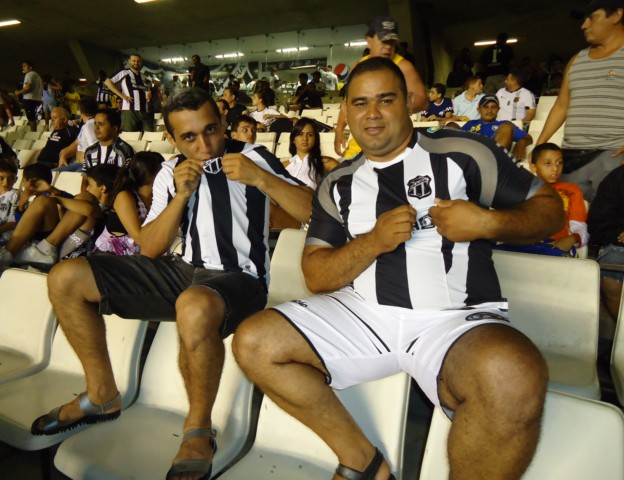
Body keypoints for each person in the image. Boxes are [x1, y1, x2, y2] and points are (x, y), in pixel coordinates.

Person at [233, 57, 564, 480]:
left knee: (513, 375)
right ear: (346, 112)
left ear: (408, 102)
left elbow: (549, 209)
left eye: (385, 100)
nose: (372, 114)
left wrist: (489, 222)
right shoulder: (339, 183)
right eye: (360, 103)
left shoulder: (463, 153)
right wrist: (372, 242)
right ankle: (364, 462)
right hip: (364, 313)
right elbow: (316, 276)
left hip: (454, 319)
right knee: (254, 341)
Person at [30, 88, 313, 480]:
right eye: (189, 137)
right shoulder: (170, 170)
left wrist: (261, 179)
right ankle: (102, 394)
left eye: (211, 130)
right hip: (183, 270)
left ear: (224, 123)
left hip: (241, 277)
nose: (204, 144)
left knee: (194, 305)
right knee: (65, 278)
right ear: (173, 139)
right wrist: (181, 196)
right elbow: (149, 247)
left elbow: (309, 211)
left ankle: (198, 428)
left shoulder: (252, 156)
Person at [536, 0, 624, 202]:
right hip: (570, 158)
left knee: (606, 225)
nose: (584, 25)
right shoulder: (577, 59)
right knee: (570, 222)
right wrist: (541, 144)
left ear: (617, 15)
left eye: (591, 17)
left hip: (613, 157)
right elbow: (561, 106)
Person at [334, 16, 427, 157]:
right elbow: (348, 102)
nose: (388, 46)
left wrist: (390, 106)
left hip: (394, 143)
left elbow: (423, 101)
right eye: (383, 41)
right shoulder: (359, 67)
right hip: (360, 144)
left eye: (391, 42)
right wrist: (340, 129)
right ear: (369, 40)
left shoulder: (403, 67)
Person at [496, 143, 588, 257]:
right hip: (521, 243)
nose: (555, 168)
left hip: (554, 244)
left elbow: (579, 226)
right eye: (547, 164)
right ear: (533, 167)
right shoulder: (521, 188)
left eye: (559, 163)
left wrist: (572, 239)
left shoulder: (571, 190)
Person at [91, 152, 163, 256]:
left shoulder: (158, 196)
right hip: (109, 258)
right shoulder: (124, 196)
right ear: (156, 174)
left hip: (135, 258)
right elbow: (139, 237)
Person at [587, 163, 624, 320]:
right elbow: (598, 223)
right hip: (618, 245)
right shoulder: (617, 178)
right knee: (610, 281)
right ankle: (621, 332)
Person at [459, 94, 532, 161]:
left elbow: (529, 138)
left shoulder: (503, 124)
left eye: (493, 107)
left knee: (506, 127)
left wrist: (522, 141)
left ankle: (491, 163)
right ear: (479, 110)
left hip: (492, 158)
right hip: (470, 156)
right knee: (452, 125)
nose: (489, 110)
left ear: (498, 109)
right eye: (486, 107)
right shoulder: (470, 123)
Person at [104, 54, 154, 132]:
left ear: (141, 62)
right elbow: (107, 82)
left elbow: (148, 89)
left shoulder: (144, 76)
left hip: (145, 111)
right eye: (134, 61)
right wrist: (122, 95)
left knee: (149, 136)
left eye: (138, 61)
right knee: (129, 136)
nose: (136, 63)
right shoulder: (124, 73)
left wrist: (149, 95)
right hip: (129, 110)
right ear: (129, 61)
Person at [14, 60, 43, 132]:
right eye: (22, 66)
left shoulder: (29, 74)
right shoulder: (37, 75)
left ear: (30, 67)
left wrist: (19, 92)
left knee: (31, 118)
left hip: (30, 99)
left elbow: (27, 87)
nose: (23, 68)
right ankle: (34, 132)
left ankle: (33, 133)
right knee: (33, 117)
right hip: (37, 99)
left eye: (25, 66)